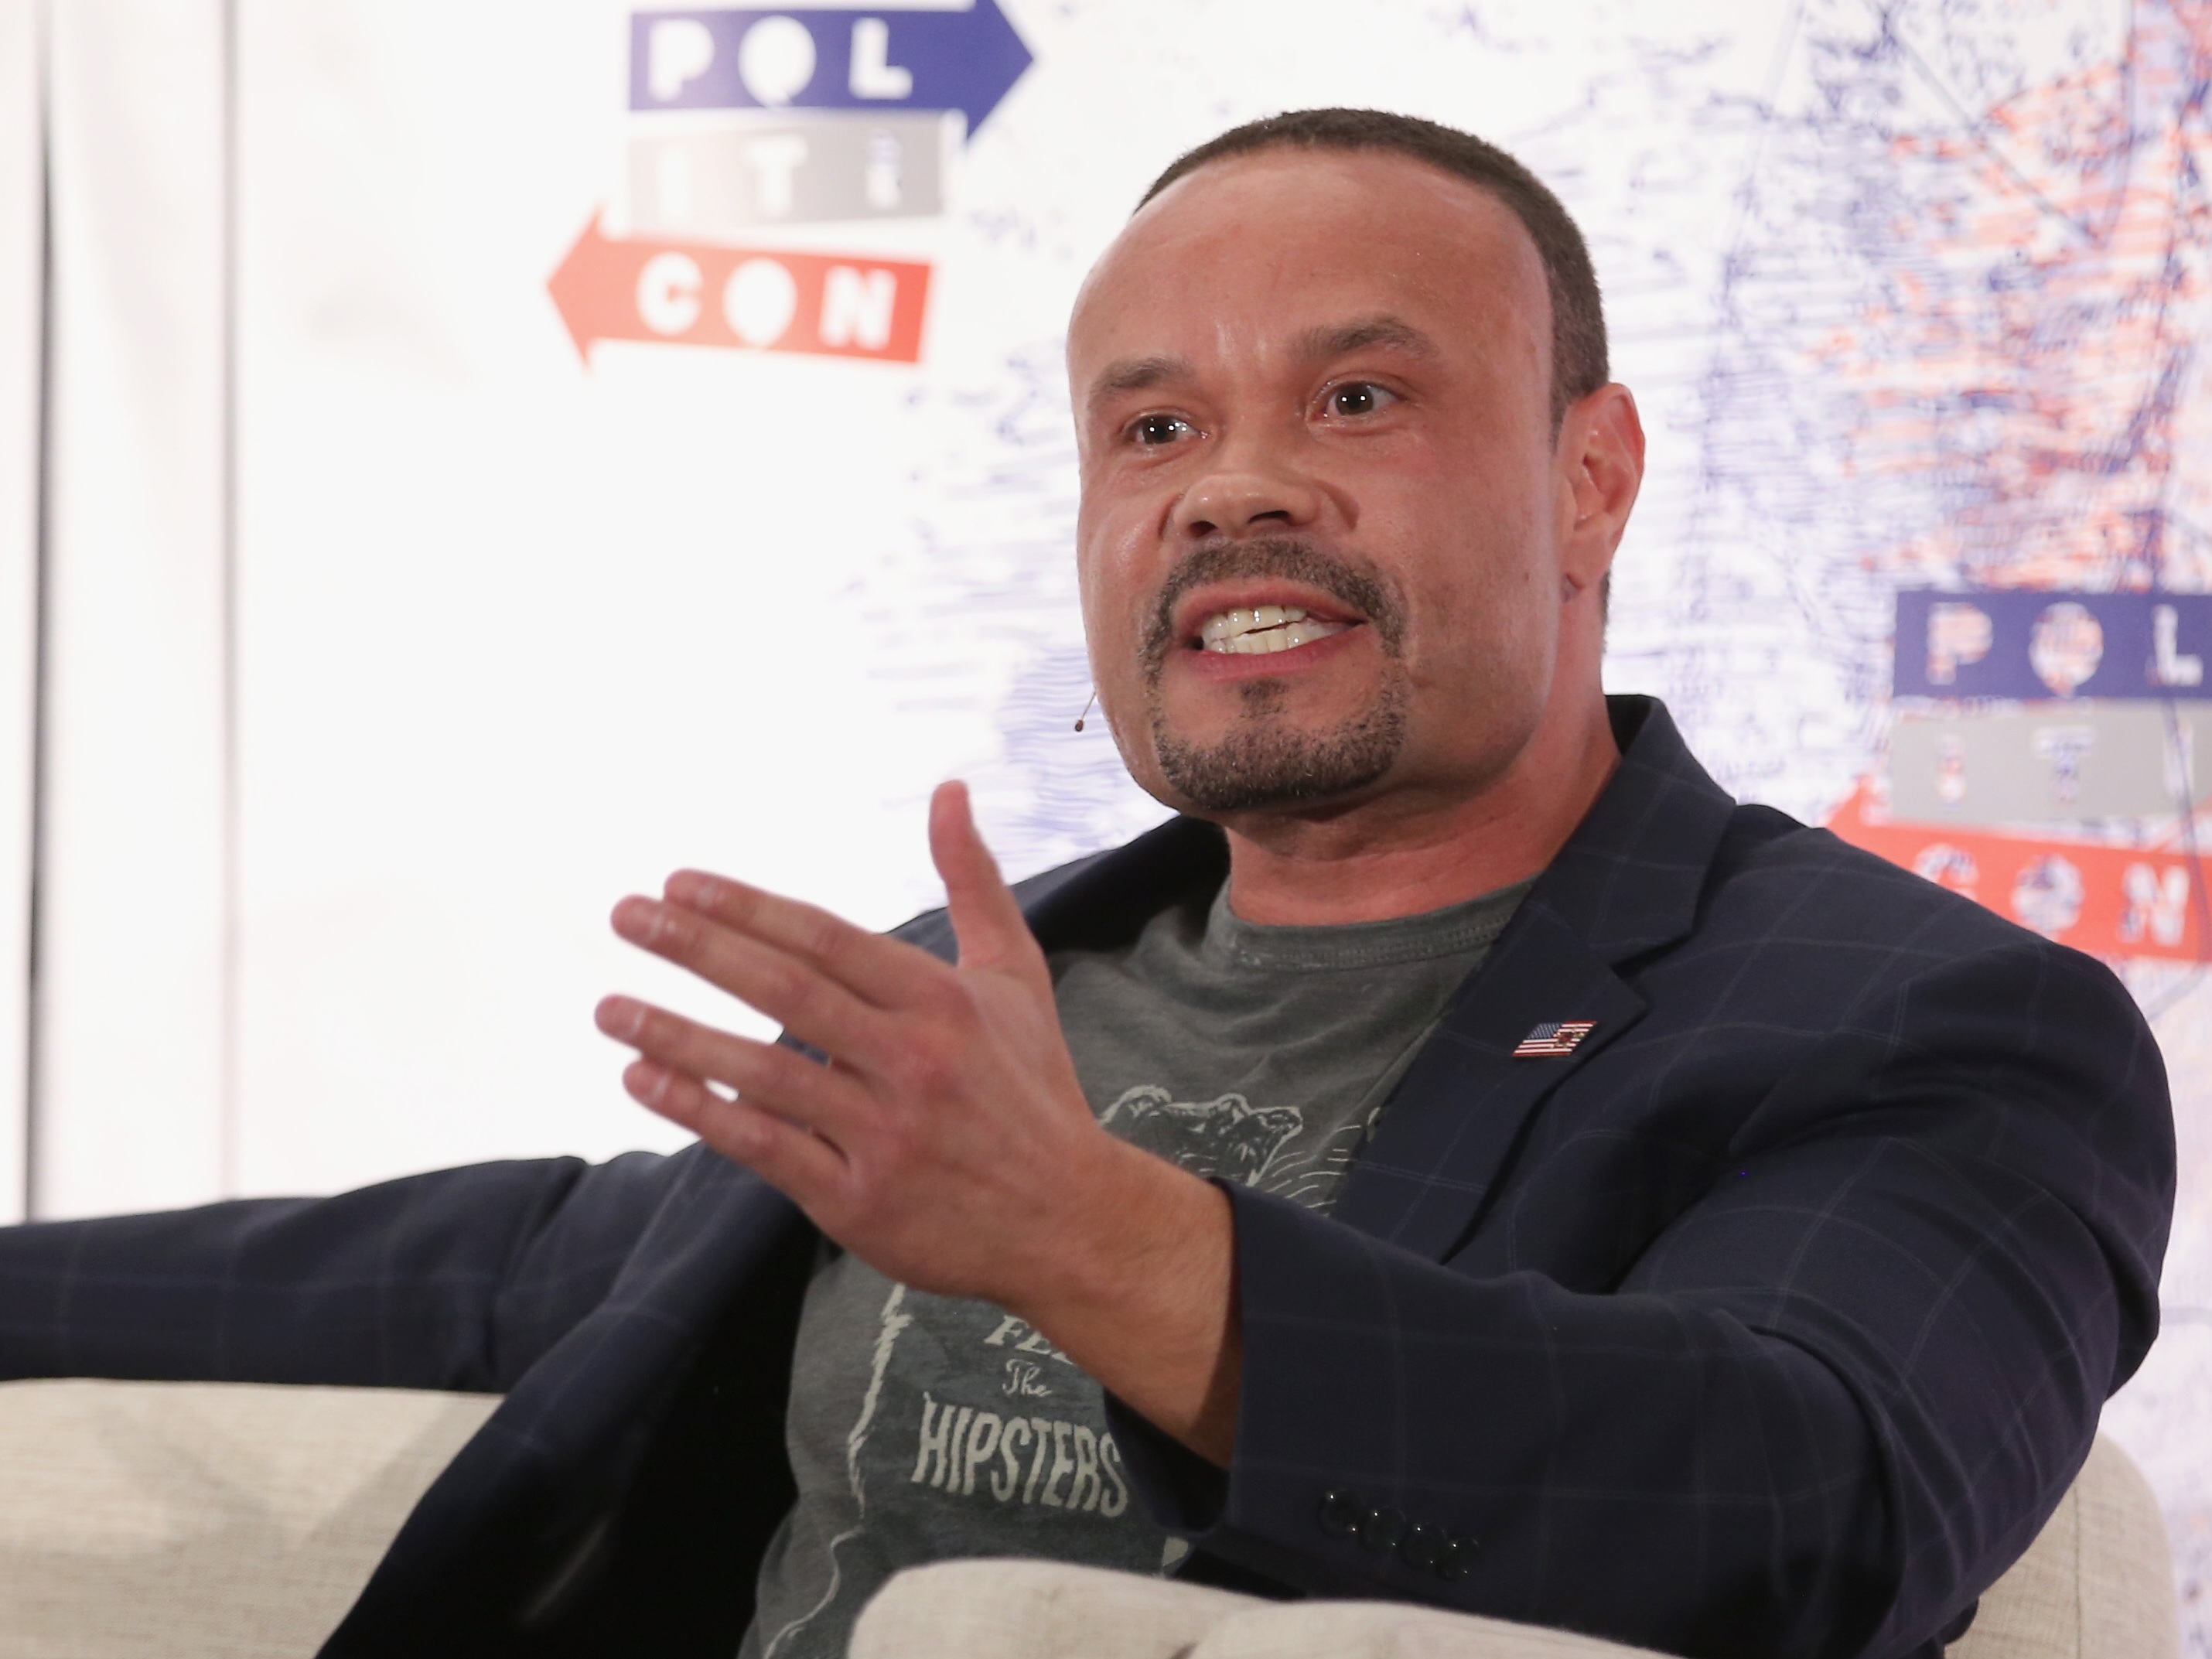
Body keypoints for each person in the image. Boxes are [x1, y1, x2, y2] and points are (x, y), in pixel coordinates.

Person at [0, 110, 2173, 1659]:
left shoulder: (1917, 1022)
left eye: (1353, 392)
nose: (1232, 484)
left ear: (1584, 475)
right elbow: (522, 1272)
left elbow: (1802, 1509)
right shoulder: (1023, 974)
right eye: (1149, 431)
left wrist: (1109, 1243)